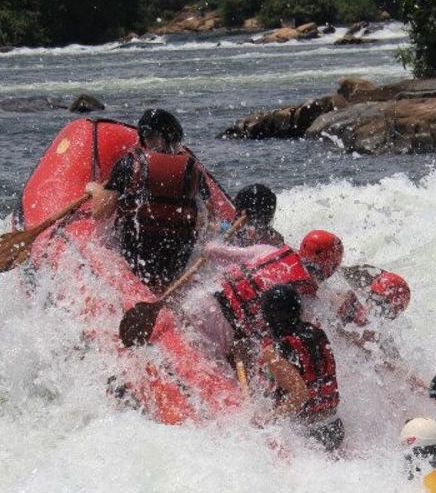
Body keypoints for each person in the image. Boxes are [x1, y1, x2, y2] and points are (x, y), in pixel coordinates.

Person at [85, 108, 220, 290]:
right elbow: (212, 220)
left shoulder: (129, 164)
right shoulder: (192, 170)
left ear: (145, 137)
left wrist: (95, 189)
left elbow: (100, 213)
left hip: (135, 258)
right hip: (176, 263)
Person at [183, 229, 344, 361]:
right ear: (330, 268)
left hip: (201, 304)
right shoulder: (309, 302)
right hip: (223, 335)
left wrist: (212, 245)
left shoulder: (267, 251)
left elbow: (212, 251)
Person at [251, 284, 344, 451]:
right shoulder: (316, 332)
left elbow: (299, 394)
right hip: (335, 426)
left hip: (310, 436)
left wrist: (268, 418)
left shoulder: (273, 352)